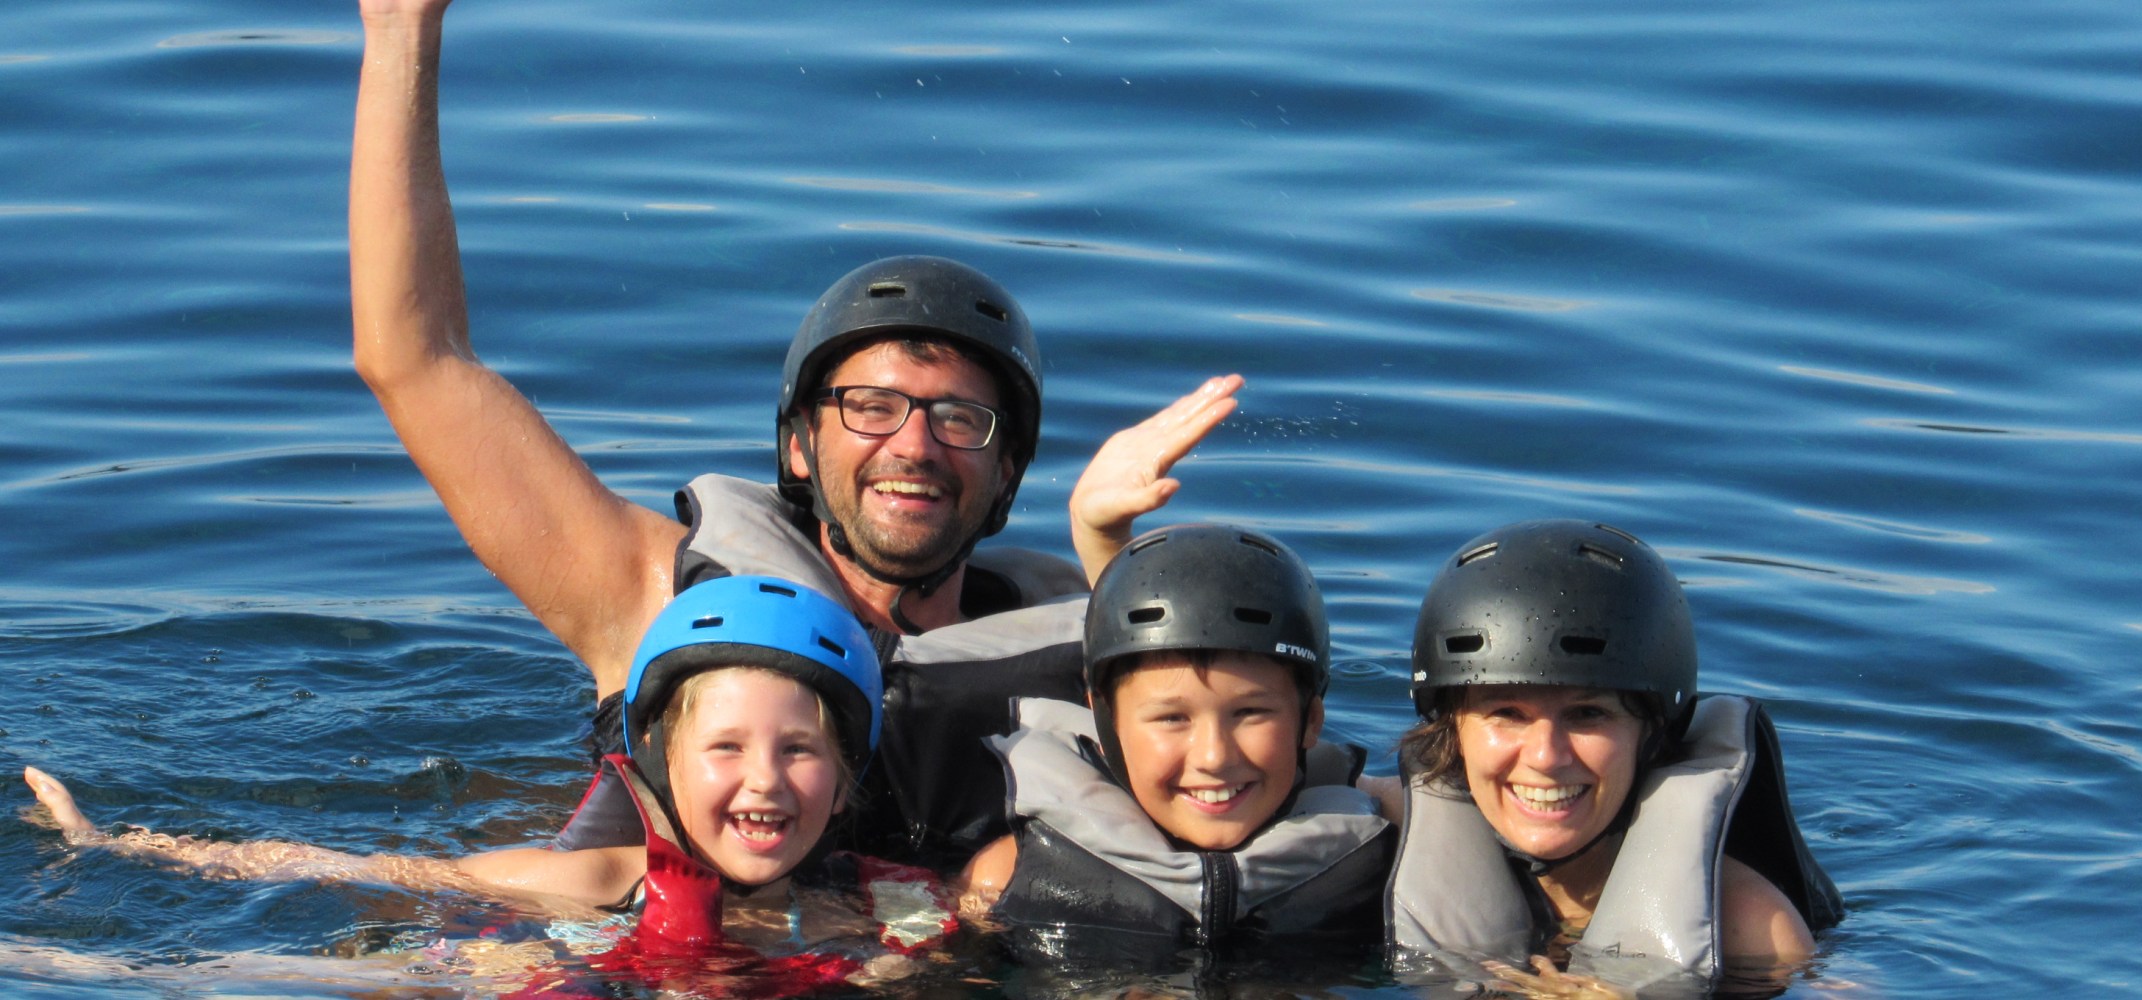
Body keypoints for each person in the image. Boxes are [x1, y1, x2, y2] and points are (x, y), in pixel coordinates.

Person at [347, 0, 1240, 865]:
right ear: (797, 447)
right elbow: (416, 361)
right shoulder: (652, 593)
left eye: (959, 419)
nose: (913, 448)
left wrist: (1114, 549)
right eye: (870, 407)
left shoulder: (1085, 644)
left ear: (1009, 473)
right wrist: (401, 25)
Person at [23, 577, 957, 996]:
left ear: (844, 781)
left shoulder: (891, 910)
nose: (764, 780)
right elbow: (368, 868)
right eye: (725, 748)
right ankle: (80, 971)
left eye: (799, 750)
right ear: (662, 768)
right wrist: (117, 848)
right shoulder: (603, 881)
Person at [1383, 520, 1845, 997]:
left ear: (1654, 732)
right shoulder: (1385, 838)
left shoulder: (1753, 929)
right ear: (1451, 731)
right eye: (1506, 713)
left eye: (1587, 714)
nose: (1545, 756)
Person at [955, 524, 1394, 974]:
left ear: (1311, 722)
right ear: (1108, 726)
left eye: (1250, 713)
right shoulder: (1005, 878)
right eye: (1172, 718)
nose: (1213, 757)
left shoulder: (1382, 857)